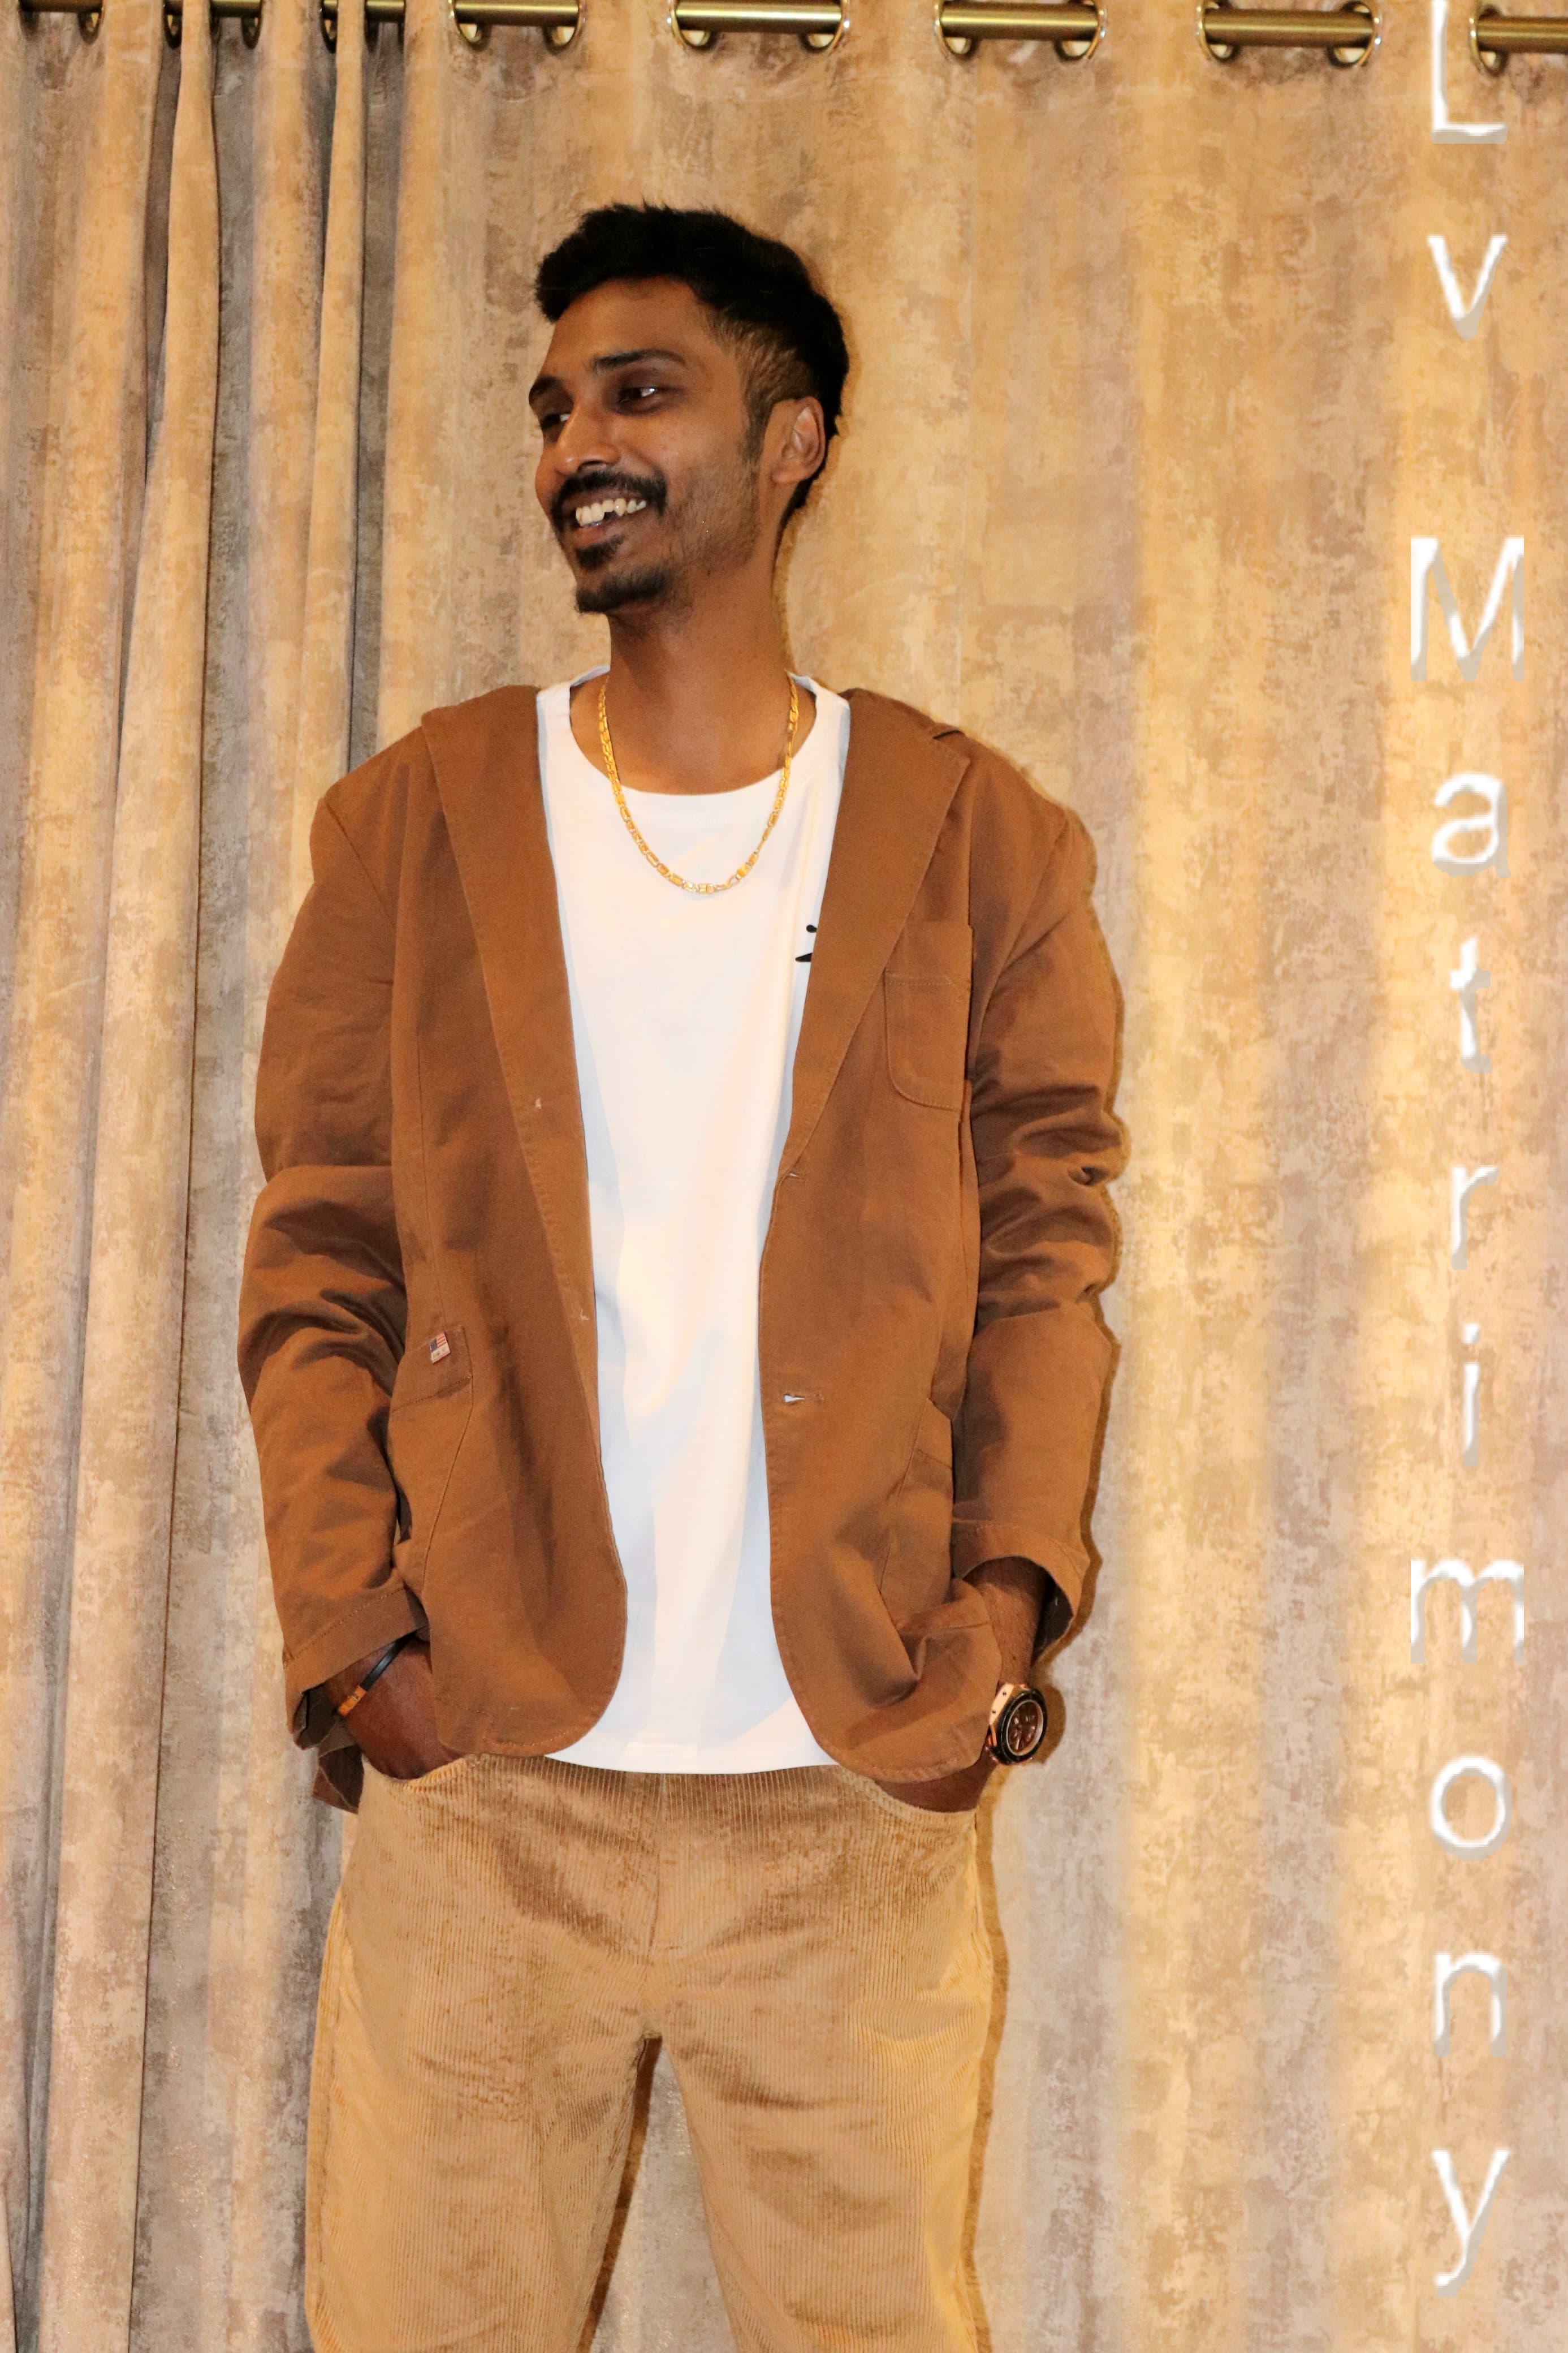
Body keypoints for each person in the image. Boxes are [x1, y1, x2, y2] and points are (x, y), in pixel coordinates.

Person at [237, 200, 1125, 2353]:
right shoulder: (414, 822)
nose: (578, 446)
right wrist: (358, 1639)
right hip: (488, 1782)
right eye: (556, 408)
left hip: (845, 1788)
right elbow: (320, 1252)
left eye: (641, 393)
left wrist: (1005, 1606)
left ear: (791, 440)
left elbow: (1048, 1255)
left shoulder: (979, 836)